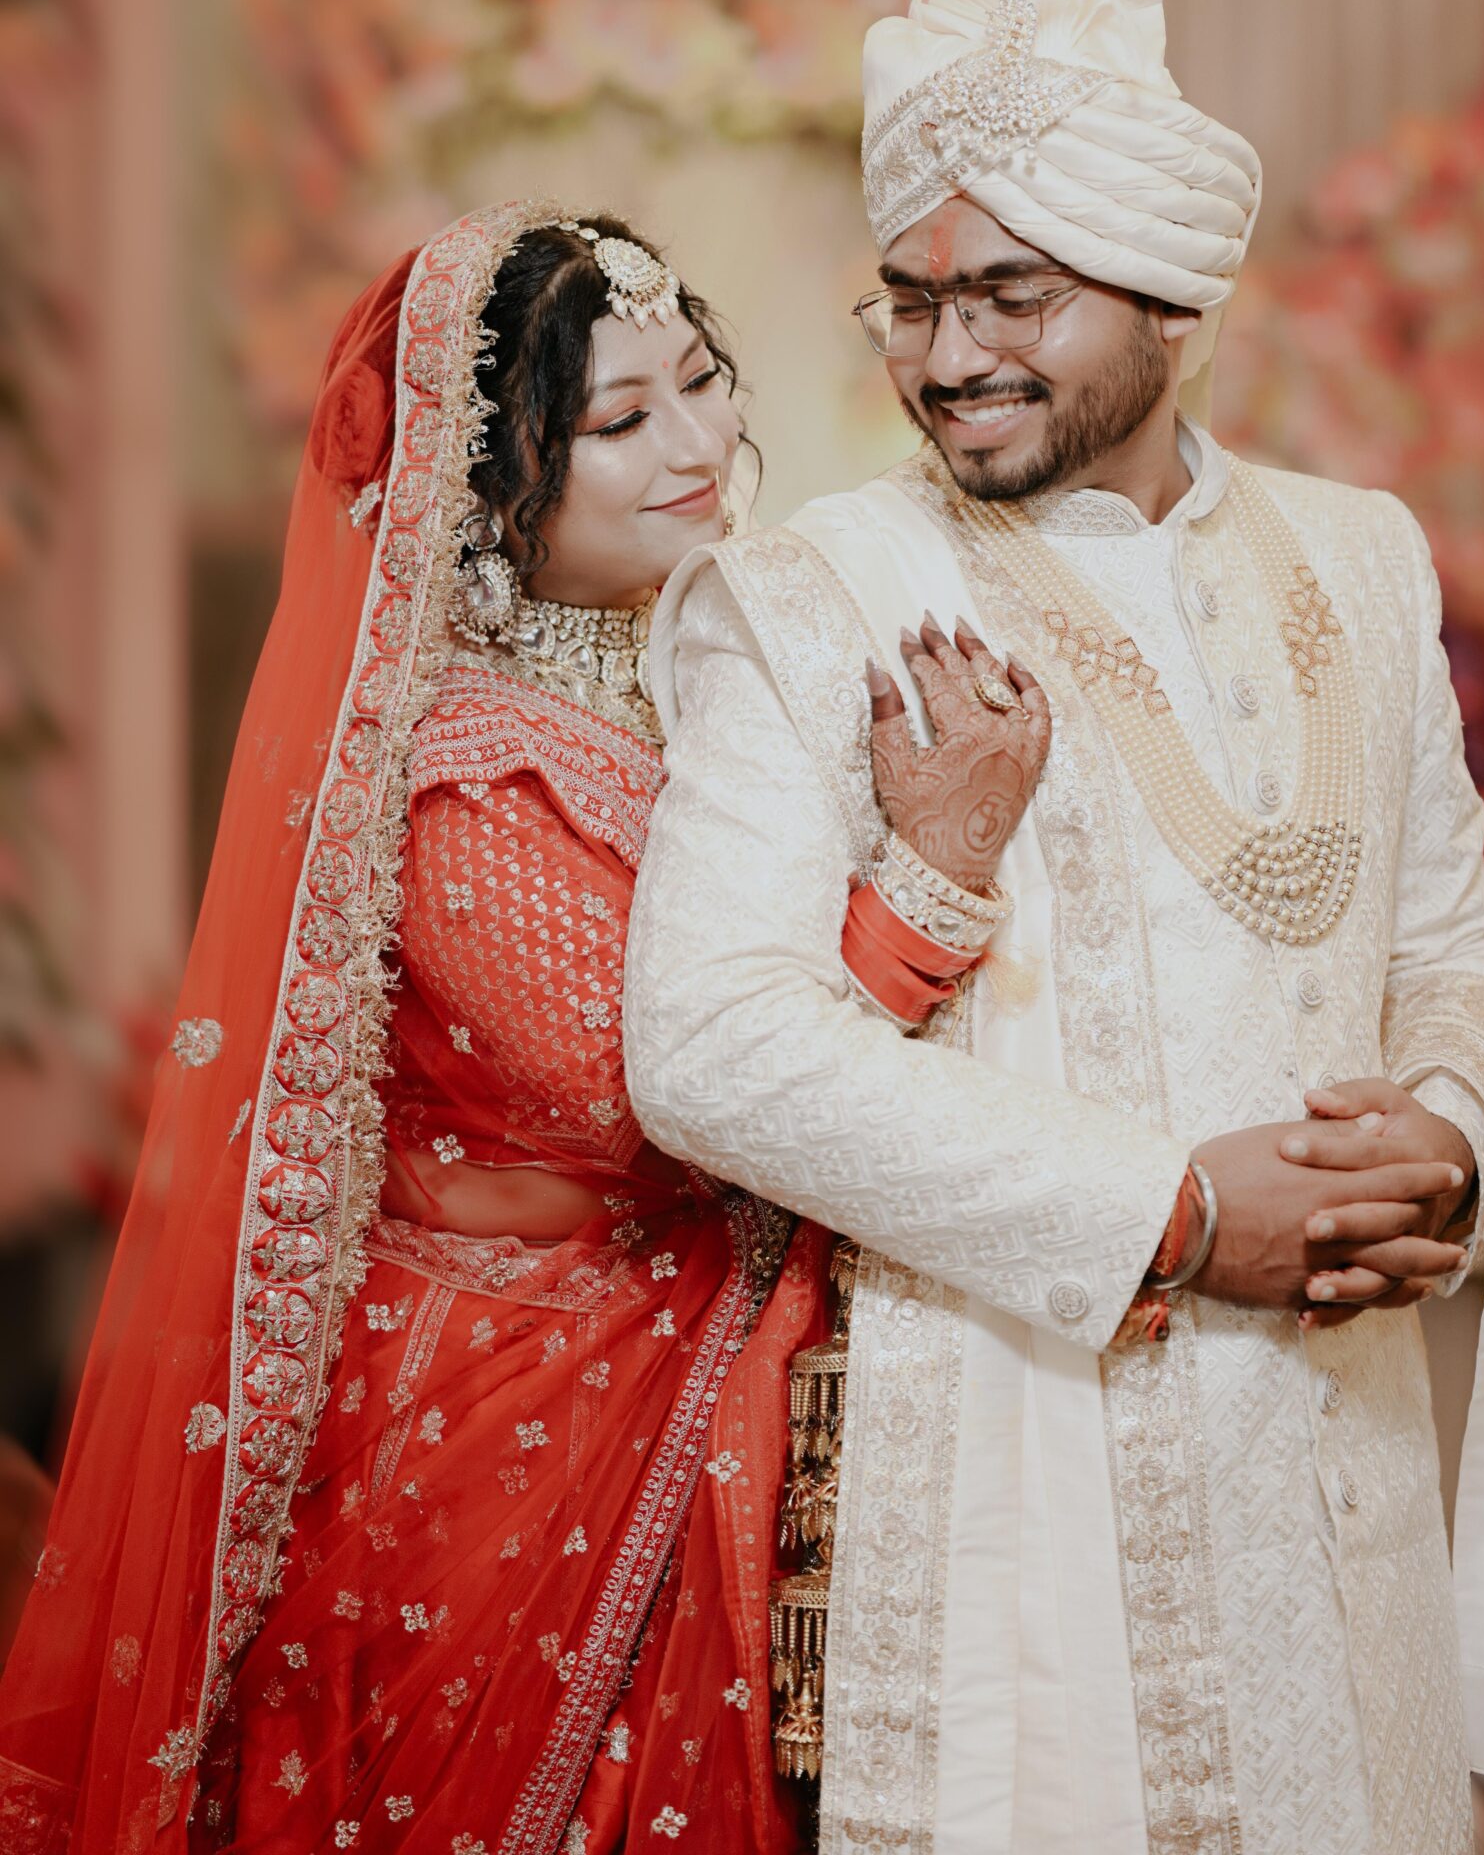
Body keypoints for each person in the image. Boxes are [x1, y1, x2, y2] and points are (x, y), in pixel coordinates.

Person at [624, 0, 1484, 1855]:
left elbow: (1453, 936)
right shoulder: (808, 598)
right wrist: (1182, 1216)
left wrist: (1450, 1145)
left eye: (1011, 295)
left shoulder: (1364, 557)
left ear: (1174, 295)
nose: (951, 357)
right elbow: (710, 1044)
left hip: (1345, 1462)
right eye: (910, 302)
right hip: (1020, 1469)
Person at [0, 204, 1045, 1854]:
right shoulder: (465, 783)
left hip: (698, 1360)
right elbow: (677, 1102)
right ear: (483, 494)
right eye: (622, 420)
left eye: (701, 380)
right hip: (514, 1434)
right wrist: (933, 880)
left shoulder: (708, 680)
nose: (699, 444)